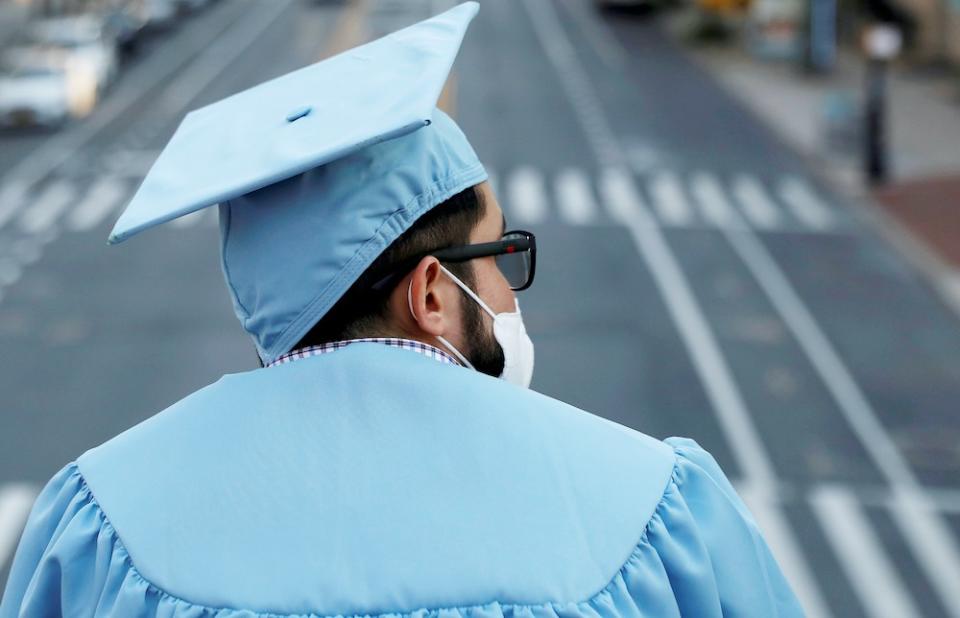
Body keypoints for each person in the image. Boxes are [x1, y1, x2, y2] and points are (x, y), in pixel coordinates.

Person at [0, 3, 803, 617]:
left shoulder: (100, 525)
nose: (509, 293)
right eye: (496, 259)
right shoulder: (657, 513)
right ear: (429, 295)